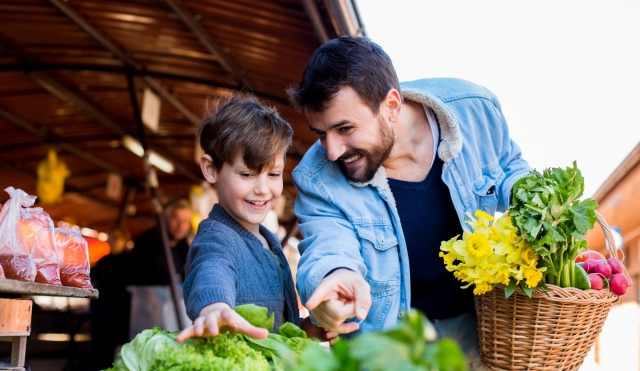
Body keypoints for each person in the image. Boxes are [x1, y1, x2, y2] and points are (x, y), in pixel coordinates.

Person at [287, 36, 532, 370]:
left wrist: (536, 204)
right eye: (321, 133)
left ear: (391, 106)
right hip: (393, 347)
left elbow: (508, 167)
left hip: (485, 330)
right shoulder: (317, 177)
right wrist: (333, 276)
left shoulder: (476, 110)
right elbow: (329, 247)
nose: (332, 151)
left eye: (345, 128)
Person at [176, 94, 311, 342]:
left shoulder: (267, 240)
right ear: (211, 169)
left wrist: (307, 330)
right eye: (247, 174)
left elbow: (277, 322)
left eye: (274, 174)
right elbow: (211, 270)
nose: (262, 189)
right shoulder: (216, 237)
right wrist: (215, 307)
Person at [89, 227, 132, 370]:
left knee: (118, 350)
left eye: (117, 238)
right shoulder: (103, 262)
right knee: (99, 349)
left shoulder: (130, 261)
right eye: (111, 237)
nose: (113, 241)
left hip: (121, 315)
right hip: (101, 313)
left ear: (125, 240)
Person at [129, 198, 192, 285]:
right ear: (164, 219)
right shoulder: (145, 243)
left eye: (185, 220)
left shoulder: (185, 247)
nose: (181, 225)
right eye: (175, 219)